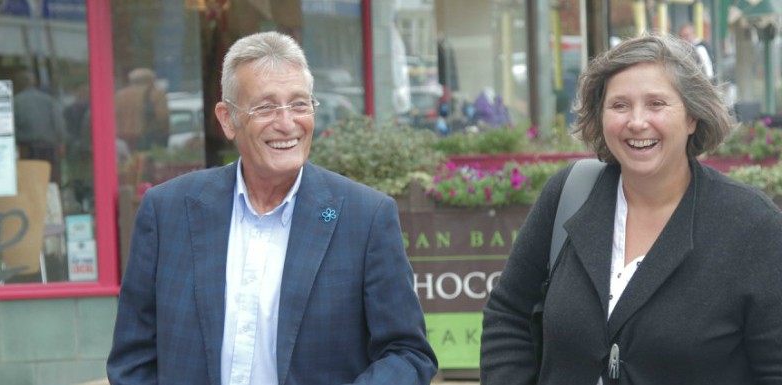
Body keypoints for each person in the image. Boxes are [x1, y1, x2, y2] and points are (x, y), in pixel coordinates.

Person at [107, 31, 438, 385]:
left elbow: (407, 353)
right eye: (265, 107)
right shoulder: (167, 212)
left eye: (299, 104)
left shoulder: (365, 217)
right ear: (228, 119)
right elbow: (133, 359)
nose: (286, 123)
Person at [480, 34, 782, 384]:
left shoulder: (753, 226)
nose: (637, 122)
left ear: (692, 118)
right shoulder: (569, 194)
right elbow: (509, 316)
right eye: (620, 105)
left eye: (656, 104)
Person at [12, 70, 67, 183]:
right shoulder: (48, 100)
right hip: (49, 146)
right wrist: (61, 142)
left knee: (30, 179)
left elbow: (12, 126)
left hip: (26, 147)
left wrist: (15, 144)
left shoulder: (16, 101)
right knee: (50, 178)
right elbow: (58, 122)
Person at [114, 67, 170, 152]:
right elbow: (163, 117)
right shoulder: (157, 94)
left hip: (124, 141)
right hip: (148, 141)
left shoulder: (119, 95)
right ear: (151, 80)